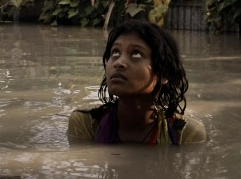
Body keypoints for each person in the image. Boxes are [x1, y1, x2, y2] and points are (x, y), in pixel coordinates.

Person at [68, 19, 207, 145]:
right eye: (115, 52)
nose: (119, 62)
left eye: (136, 54)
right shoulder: (86, 125)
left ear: (163, 74)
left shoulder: (185, 134)